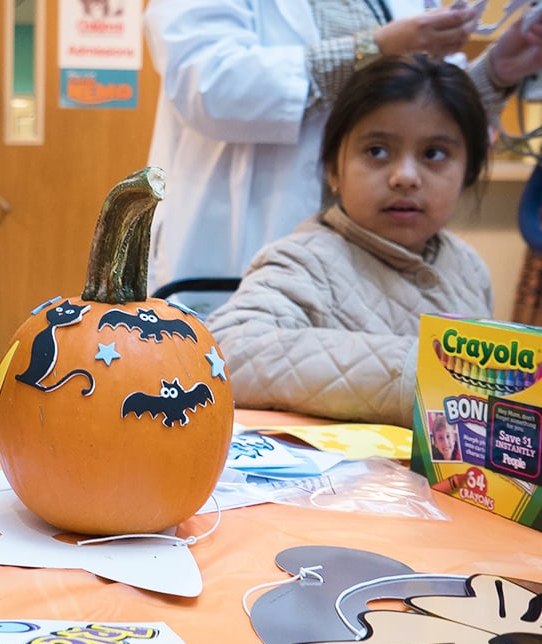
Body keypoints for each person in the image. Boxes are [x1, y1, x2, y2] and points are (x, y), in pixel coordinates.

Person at [143, 0, 542, 310]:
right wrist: (374, 48)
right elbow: (210, 85)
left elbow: (422, 110)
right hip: (249, 236)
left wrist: (495, 72)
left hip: (374, 252)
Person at [206, 54, 494, 427]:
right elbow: (226, 352)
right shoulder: (301, 261)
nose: (405, 176)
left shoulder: (469, 266)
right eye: (377, 151)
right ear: (333, 170)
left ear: (467, 172)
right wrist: (418, 371)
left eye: (434, 154)